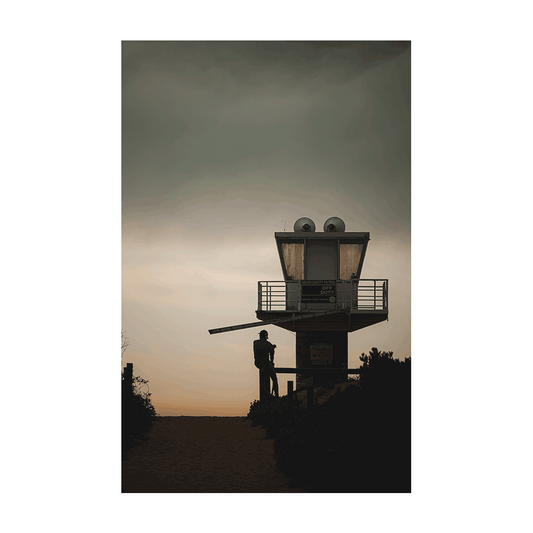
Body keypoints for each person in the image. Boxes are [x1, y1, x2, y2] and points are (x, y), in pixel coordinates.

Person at [253, 330, 279, 398]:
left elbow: (255, 354)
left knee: (263, 380)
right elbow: (271, 353)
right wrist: (272, 362)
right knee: (274, 379)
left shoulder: (255, 343)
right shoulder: (268, 344)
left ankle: (265, 395)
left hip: (258, 363)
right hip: (266, 364)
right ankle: (276, 395)